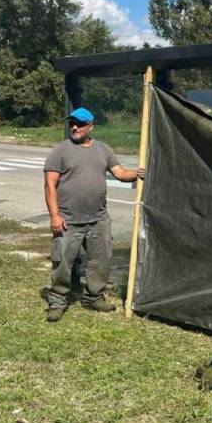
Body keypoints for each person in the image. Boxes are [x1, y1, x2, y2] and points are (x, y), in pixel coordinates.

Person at [43, 108, 146, 322]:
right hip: (68, 220)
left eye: (80, 124)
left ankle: (93, 297)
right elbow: (50, 185)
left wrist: (136, 174)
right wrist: (55, 215)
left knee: (100, 261)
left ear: (91, 126)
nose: (75, 127)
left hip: (98, 218)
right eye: (72, 123)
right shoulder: (60, 151)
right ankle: (57, 301)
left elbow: (120, 174)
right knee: (62, 263)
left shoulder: (103, 150)